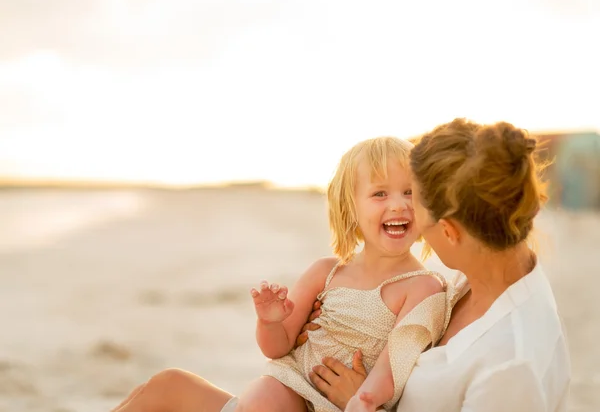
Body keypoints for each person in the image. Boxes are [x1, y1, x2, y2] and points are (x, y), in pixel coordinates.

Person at [111, 136, 449, 412]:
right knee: (166, 384)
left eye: (410, 192)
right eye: (380, 193)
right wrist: (271, 322)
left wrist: (362, 401)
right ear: (350, 208)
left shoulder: (421, 287)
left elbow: (392, 371)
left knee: (255, 400)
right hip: (288, 390)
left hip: (345, 404)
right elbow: (276, 349)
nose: (399, 205)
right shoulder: (327, 272)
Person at [313, 118, 571, 412]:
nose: (416, 228)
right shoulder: (476, 271)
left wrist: (357, 404)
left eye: (413, 199)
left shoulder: (511, 368)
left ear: (449, 231)